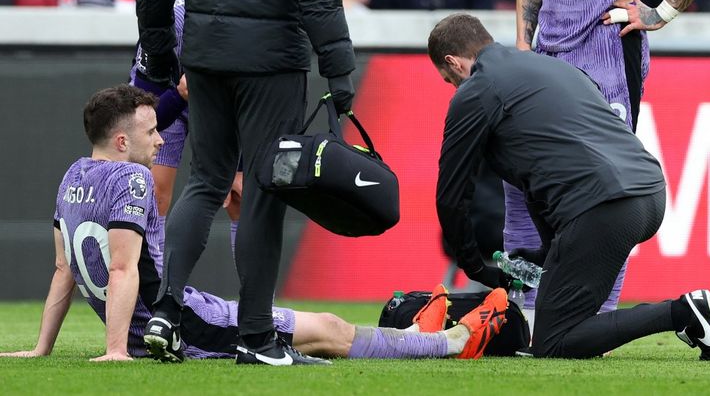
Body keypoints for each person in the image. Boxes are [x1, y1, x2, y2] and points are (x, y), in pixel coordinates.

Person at [0, 84, 509, 362]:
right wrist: (116, 352)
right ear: (120, 142)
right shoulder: (130, 182)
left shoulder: (72, 176)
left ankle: (420, 338)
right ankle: (450, 343)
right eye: (152, 133)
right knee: (327, 330)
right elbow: (123, 270)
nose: (160, 142)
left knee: (314, 336)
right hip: (181, 323)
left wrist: (42, 349)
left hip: (150, 327)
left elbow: (63, 270)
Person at [133, 0, 361, 367]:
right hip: (272, 58)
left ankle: (165, 312)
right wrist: (338, 66)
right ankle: (257, 337)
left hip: (206, 52)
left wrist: (158, 51)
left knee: (205, 180)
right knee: (263, 189)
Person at [428, 13, 710, 360]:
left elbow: (451, 195)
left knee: (554, 343)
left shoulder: (477, 90)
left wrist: (476, 268)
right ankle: (681, 314)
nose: (453, 86)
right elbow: (557, 167)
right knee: (559, 328)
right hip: (649, 192)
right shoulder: (554, 68)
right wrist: (546, 252)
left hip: (604, 206)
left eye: (449, 79)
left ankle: (685, 312)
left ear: (453, 62)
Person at [510, 0, 710, 324]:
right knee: (528, 176)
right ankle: (530, 311)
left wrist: (660, 13)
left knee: (608, 186)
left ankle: (597, 313)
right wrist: (523, 45)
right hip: (548, 53)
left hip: (608, 47)